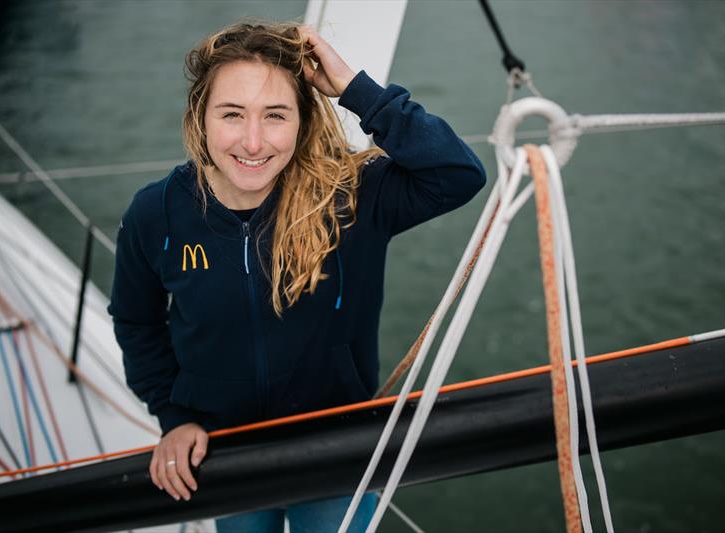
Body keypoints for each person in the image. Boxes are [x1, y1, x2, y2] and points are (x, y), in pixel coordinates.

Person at [108, 21, 485, 533]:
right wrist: (174, 418)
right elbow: (136, 321)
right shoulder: (156, 213)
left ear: (304, 121)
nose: (254, 141)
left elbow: (458, 173)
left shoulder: (352, 199)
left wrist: (357, 91)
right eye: (232, 114)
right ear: (200, 116)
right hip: (226, 454)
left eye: (276, 115)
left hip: (337, 448)